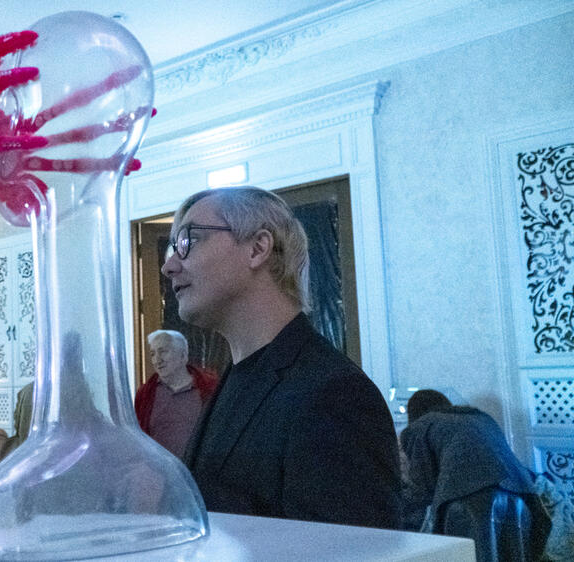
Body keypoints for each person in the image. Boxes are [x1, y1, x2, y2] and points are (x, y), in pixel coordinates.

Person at [160, 186, 401, 528]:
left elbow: (351, 549)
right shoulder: (233, 379)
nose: (169, 266)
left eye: (189, 240)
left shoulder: (335, 393)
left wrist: (170, 495)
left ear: (258, 248)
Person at [400, 395, 550, 562]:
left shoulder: (420, 426)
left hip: (467, 499)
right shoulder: (482, 418)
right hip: (519, 496)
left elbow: (421, 486)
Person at [134, 330, 217, 458]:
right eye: (153, 354)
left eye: (163, 352)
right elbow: (138, 438)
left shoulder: (210, 390)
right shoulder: (145, 395)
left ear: (183, 356)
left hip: (199, 468)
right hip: (159, 469)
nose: (157, 360)